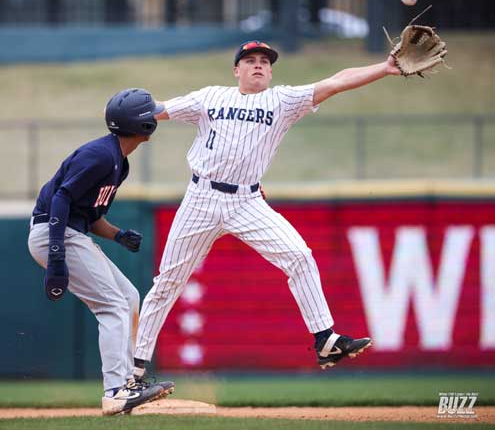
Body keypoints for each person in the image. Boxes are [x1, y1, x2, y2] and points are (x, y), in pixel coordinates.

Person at [132, 40, 401, 379]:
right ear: (236, 70)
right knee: (168, 281)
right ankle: (136, 369)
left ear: (271, 71)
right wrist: (124, 109)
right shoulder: (210, 97)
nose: (257, 65)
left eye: (264, 61)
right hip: (200, 198)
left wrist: (384, 68)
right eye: (249, 60)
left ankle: (325, 340)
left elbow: (336, 81)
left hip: (246, 201)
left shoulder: (283, 100)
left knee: (299, 256)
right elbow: (160, 109)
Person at [28, 88, 175, 415]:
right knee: (111, 305)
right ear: (143, 125)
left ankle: (128, 384)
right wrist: (56, 258)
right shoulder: (100, 155)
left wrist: (118, 235)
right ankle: (116, 390)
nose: (155, 116)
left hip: (69, 231)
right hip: (54, 232)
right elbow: (60, 201)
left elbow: (89, 216)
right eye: (150, 113)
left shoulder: (117, 162)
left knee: (129, 296)